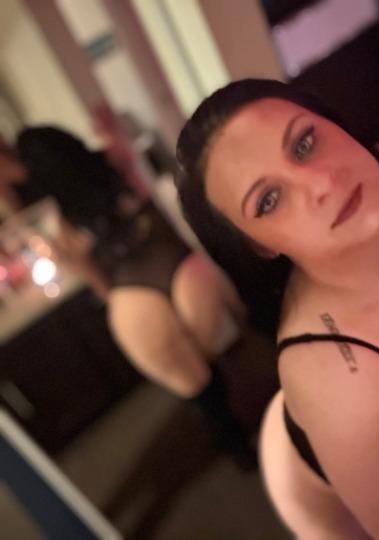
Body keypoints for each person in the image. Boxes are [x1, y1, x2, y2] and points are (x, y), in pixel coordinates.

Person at [175, 79, 379, 538]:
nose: (322, 182)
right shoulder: (353, 392)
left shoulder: (373, 194)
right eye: (269, 200)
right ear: (259, 246)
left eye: (304, 143)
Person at [5, 126, 255, 466]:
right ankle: (250, 424)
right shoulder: (115, 165)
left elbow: (90, 275)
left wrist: (110, 298)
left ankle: (237, 446)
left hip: (131, 291)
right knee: (216, 353)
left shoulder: (62, 220)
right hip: (177, 264)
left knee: (193, 381)